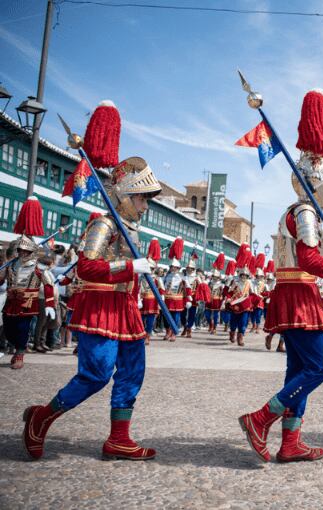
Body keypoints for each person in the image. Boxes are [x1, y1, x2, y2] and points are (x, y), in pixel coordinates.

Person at [22, 102, 162, 461]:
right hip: (100, 305)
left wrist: (140, 273)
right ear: (125, 196)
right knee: (96, 374)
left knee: (132, 372)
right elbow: (86, 268)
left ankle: (119, 438)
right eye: (142, 199)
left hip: (125, 306)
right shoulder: (103, 223)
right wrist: (130, 268)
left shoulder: (131, 227)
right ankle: (42, 417)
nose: (145, 206)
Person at [239, 90, 323, 462]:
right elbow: (309, 260)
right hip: (298, 298)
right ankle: (261, 418)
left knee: (298, 371)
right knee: (319, 368)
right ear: (316, 183)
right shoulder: (305, 212)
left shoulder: (303, 211)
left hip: (297, 294)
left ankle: (290, 442)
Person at [1, 200, 56, 370]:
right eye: (21, 250)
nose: (23, 253)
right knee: (8, 328)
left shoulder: (38, 267)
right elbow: (2, 280)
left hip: (28, 302)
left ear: (31, 251)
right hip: (11, 301)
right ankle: (15, 346)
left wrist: (49, 304)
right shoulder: (11, 265)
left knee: (23, 328)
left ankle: (20, 353)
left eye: (26, 251)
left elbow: (48, 285)